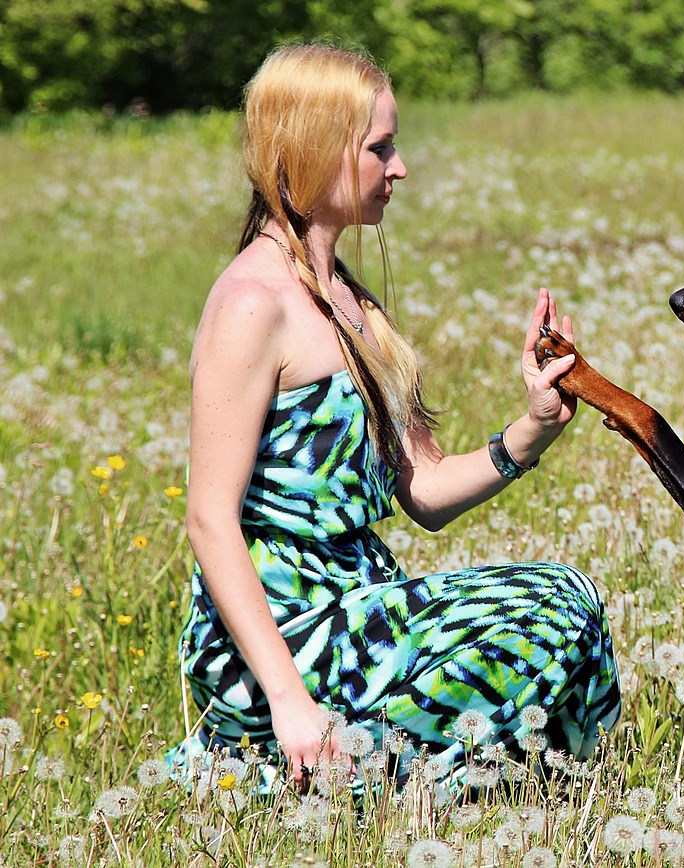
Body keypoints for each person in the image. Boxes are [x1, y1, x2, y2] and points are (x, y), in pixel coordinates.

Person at [174, 42, 620, 790]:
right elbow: (208, 518)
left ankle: (464, 789)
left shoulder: (350, 300)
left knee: (574, 612)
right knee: (553, 602)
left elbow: (429, 492)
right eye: (380, 148)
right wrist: (290, 703)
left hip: (358, 613)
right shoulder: (253, 301)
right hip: (280, 639)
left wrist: (535, 425)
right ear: (315, 151)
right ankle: (340, 778)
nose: (400, 167)